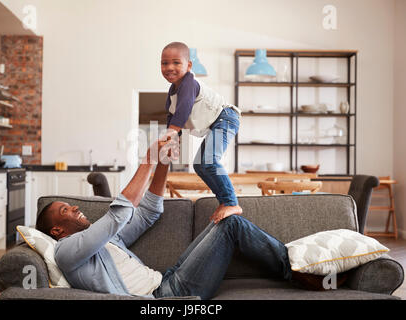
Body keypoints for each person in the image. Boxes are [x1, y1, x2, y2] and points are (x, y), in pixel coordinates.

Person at [36, 143, 293, 299]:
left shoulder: (107, 240)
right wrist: (148, 156)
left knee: (225, 220)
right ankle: (296, 268)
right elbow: (118, 214)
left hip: (168, 278)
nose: (74, 207)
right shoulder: (66, 252)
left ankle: (295, 264)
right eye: (65, 210)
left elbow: (148, 213)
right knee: (232, 224)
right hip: (169, 296)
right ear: (57, 230)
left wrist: (163, 162)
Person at [160, 41, 242, 222]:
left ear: (189, 66)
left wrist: (173, 132)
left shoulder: (189, 83)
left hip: (226, 117)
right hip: (217, 122)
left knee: (210, 160)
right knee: (199, 164)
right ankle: (224, 200)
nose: (169, 67)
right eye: (165, 63)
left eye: (176, 62)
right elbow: (172, 117)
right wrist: (173, 142)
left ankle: (231, 202)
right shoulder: (172, 94)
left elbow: (184, 108)